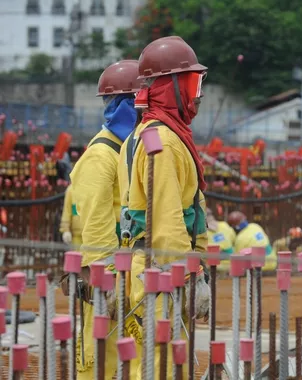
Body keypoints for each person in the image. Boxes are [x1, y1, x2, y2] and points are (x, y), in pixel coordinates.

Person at [118, 36, 210, 380]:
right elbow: (168, 216)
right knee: (163, 368)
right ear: (171, 87)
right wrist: (192, 274)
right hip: (161, 273)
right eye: (192, 84)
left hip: (152, 269)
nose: (197, 94)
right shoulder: (164, 143)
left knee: (156, 365)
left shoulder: (147, 134)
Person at [69, 60, 143, 379]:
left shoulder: (127, 150)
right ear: (126, 105)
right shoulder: (101, 156)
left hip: (130, 274)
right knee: (99, 358)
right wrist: (106, 277)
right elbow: (96, 224)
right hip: (109, 278)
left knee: (132, 355)